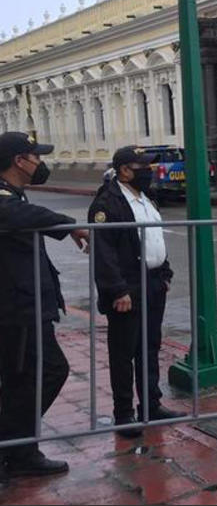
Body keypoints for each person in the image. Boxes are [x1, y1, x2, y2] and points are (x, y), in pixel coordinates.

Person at [0, 132, 89, 481]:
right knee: (45, 372)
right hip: (16, 309)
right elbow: (15, 214)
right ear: (19, 161)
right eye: (35, 156)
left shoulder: (15, 197)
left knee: (22, 379)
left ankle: (21, 450)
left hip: (25, 305)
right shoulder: (6, 199)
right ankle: (14, 447)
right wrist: (68, 225)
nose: (40, 163)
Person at [88, 146, 183, 439]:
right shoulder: (108, 203)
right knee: (123, 352)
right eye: (142, 166)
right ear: (125, 170)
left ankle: (151, 406)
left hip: (153, 283)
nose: (149, 170)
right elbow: (103, 253)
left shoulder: (146, 198)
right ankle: (124, 413)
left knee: (149, 347)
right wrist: (118, 290)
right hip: (127, 288)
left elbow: (154, 238)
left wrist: (164, 274)